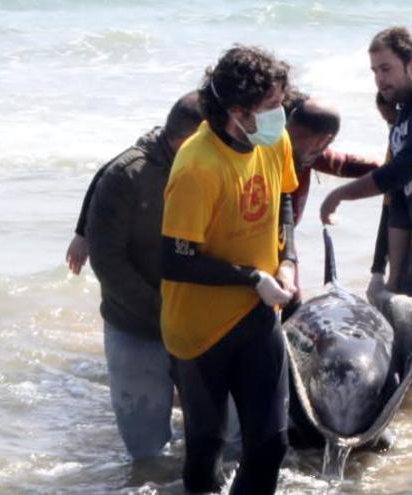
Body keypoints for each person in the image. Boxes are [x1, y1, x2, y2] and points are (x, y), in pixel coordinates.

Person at [160, 45, 297, 494]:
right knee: (207, 445)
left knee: (272, 442)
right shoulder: (198, 166)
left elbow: (284, 199)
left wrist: (288, 260)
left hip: (258, 314)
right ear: (237, 112)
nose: (282, 115)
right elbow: (175, 258)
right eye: (273, 107)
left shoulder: (272, 139)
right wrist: (252, 277)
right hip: (199, 330)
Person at [83, 92, 201, 460]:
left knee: (220, 444)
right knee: (147, 454)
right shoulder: (127, 175)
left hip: (199, 325)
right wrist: (161, 311)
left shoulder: (215, 169)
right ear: (187, 139)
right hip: (136, 325)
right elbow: (106, 261)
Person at [319, 26, 412, 297]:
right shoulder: (405, 111)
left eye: (386, 69)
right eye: (374, 71)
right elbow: (398, 197)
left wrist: (340, 194)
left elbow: (398, 173)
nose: (379, 79)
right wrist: (390, 275)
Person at [280, 96, 381, 318]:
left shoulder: (310, 153)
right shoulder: (269, 152)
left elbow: (348, 164)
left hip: (285, 242)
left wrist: (398, 170)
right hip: (259, 245)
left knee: (293, 305)